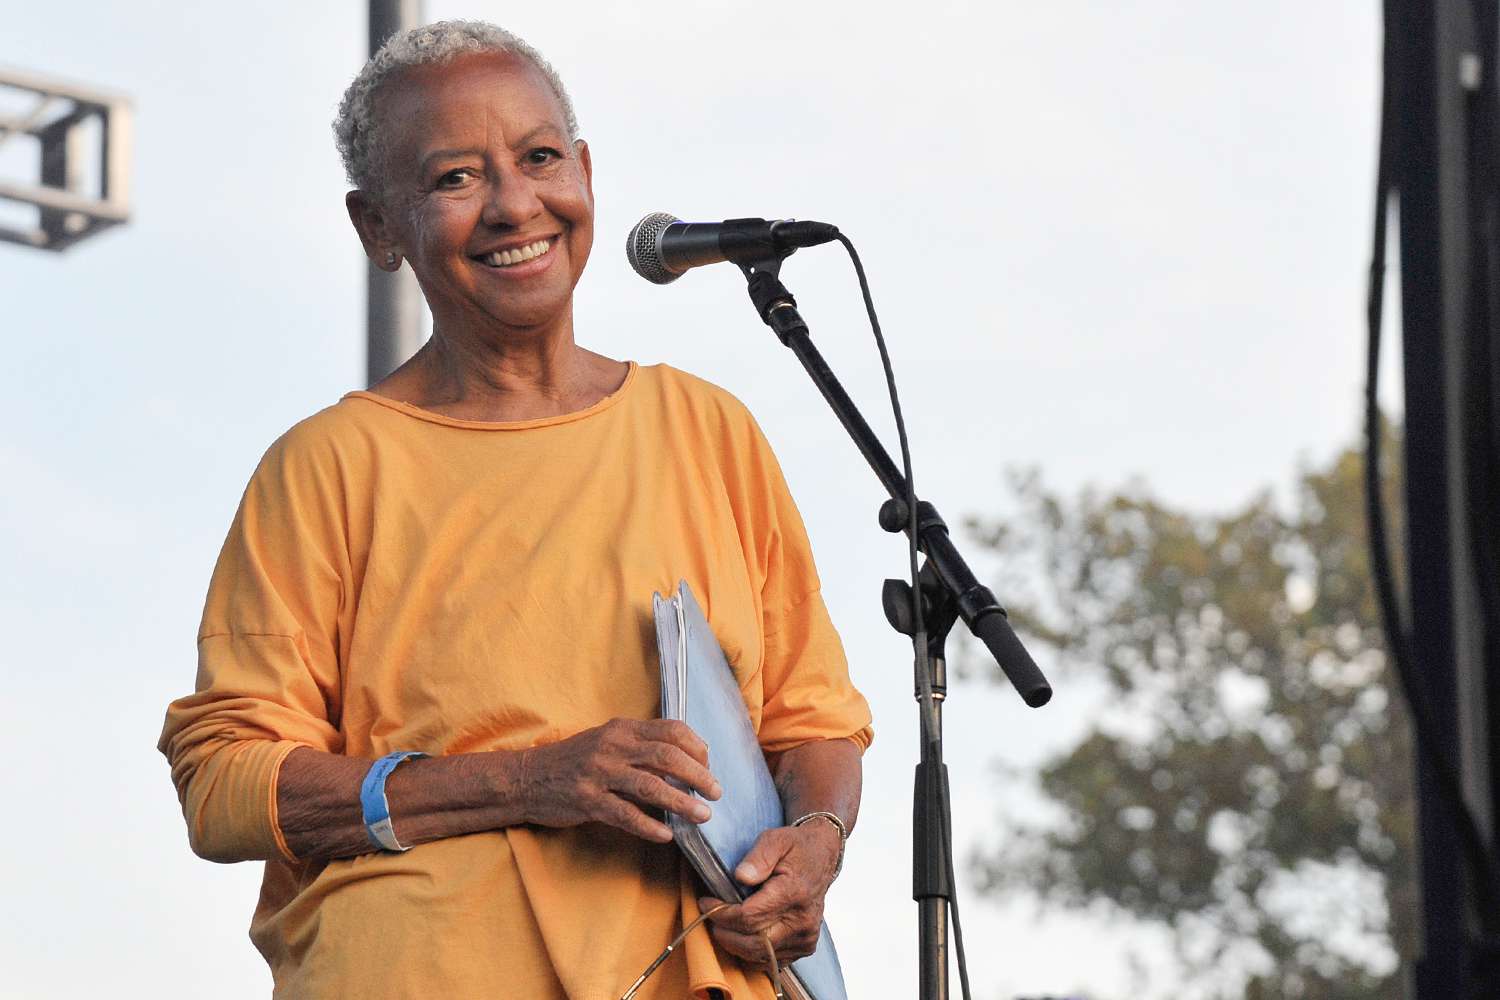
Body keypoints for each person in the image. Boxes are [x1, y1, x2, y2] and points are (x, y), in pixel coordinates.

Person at [157, 19, 872, 1000]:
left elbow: (815, 718)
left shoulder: (709, 429)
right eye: (455, 178)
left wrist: (816, 844)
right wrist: (528, 779)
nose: (513, 204)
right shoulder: (328, 464)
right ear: (378, 227)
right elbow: (222, 783)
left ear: (584, 172)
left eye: (539, 159)